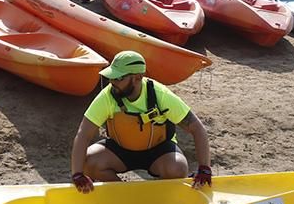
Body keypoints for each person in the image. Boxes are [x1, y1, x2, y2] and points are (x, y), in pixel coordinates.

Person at [69, 51, 213, 193]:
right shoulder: (108, 96)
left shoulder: (160, 94)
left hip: (158, 151)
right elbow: (83, 134)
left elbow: (196, 127)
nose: (112, 82)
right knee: (89, 162)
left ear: (138, 77)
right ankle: (124, 193)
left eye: (119, 78)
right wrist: (77, 174)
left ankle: (159, 197)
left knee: (177, 169)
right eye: (111, 77)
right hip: (121, 149)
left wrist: (204, 168)